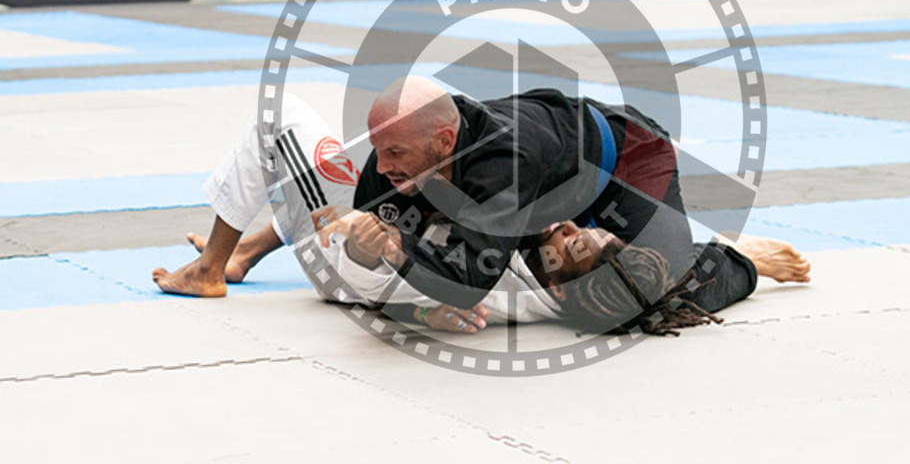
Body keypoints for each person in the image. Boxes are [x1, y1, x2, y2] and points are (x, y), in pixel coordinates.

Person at [152, 89, 811, 337]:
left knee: (662, 283)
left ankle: (213, 263)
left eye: (571, 246)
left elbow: (451, 280)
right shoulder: (470, 146)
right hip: (361, 250)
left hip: (626, 157)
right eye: (583, 234)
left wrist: (398, 272)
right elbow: (394, 216)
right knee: (393, 190)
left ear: (562, 276)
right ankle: (247, 249)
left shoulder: (513, 216)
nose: (570, 231)